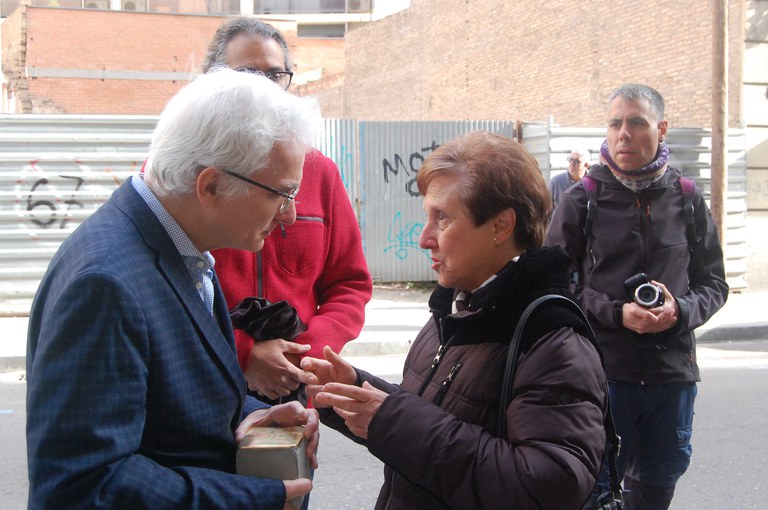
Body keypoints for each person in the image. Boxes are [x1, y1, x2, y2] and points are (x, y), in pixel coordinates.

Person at [26, 68, 323, 510]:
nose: (290, 215)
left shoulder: (182, 247)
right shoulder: (105, 284)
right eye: (282, 193)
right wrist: (253, 498)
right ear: (211, 185)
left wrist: (249, 418)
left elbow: (170, 411)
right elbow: (84, 485)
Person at [299, 131, 608, 509]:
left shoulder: (552, 339)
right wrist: (353, 390)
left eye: (442, 218)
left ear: (501, 226)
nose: (424, 237)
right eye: (427, 216)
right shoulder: (458, 309)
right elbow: (432, 418)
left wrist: (392, 418)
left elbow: (548, 485)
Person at [546, 83, 729, 509]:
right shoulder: (581, 199)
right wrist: (615, 313)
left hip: (672, 378)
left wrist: (678, 311)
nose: (623, 133)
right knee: (594, 493)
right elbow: (554, 287)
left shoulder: (685, 198)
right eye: (614, 123)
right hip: (604, 375)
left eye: (636, 123)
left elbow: (715, 284)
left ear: (661, 129)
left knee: (655, 492)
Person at [202, 16, 373, 405]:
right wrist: (243, 352)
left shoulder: (319, 173)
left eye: (274, 75)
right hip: (210, 380)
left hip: (295, 386)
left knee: (289, 470)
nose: (263, 89)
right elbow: (166, 293)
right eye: (247, 74)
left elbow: (350, 285)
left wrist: (307, 353)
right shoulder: (187, 171)